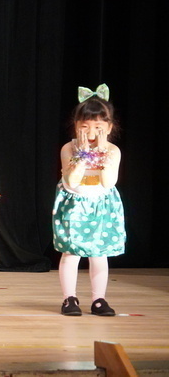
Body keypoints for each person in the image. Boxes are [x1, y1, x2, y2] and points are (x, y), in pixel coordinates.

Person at [53, 84, 126, 316]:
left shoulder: (113, 151)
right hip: (74, 204)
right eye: (85, 127)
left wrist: (102, 154)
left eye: (98, 127)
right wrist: (83, 155)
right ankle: (69, 299)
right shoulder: (69, 148)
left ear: (109, 127)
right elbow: (71, 181)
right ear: (76, 126)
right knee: (71, 253)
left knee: (99, 253)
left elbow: (108, 182)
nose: (92, 132)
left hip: (101, 205)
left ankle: (98, 300)